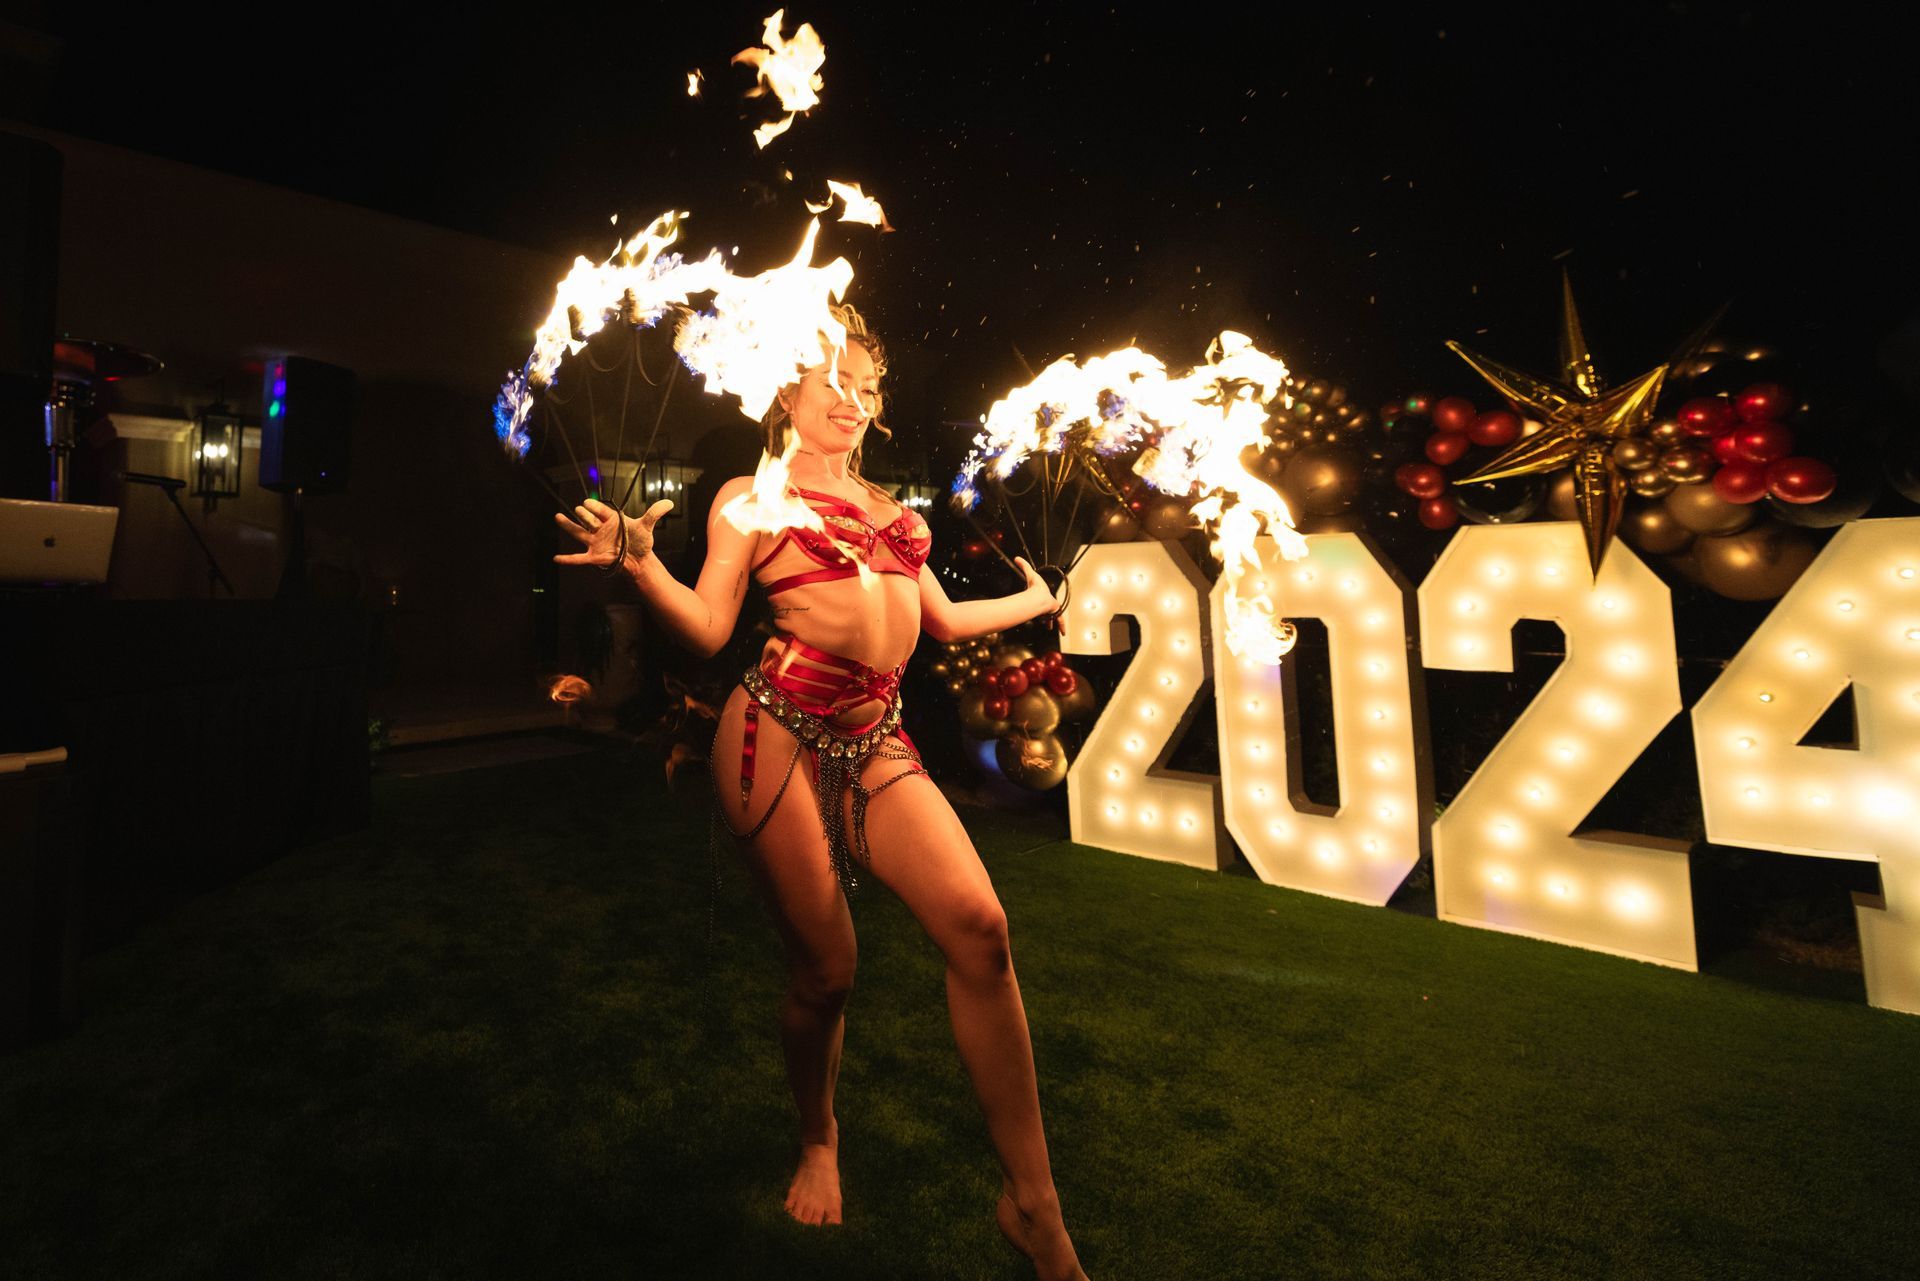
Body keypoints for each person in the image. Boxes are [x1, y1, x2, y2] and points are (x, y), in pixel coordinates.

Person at [554, 306, 1090, 1280]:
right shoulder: (750, 496)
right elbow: (711, 629)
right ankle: (818, 1136)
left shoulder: (890, 509)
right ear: (785, 389)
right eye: (832, 380)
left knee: (981, 925)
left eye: (868, 385)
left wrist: (1041, 599)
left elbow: (943, 618)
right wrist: (640, 565)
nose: (853, 399)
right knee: (828, 970)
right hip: (773, 731)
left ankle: (1034, 1200)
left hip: (876, 733)